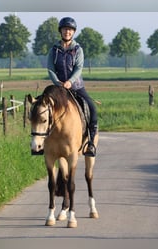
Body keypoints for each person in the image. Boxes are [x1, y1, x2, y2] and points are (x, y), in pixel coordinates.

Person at [47, 17, 98, 157]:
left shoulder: (78, 50)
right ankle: (42, 142)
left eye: (69, 30)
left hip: (76, 86)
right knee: (41, 107)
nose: (67, 32)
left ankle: (91, 143)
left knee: (92, 108)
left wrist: (70, 81)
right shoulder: (54, 50)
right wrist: (57, 82)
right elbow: (50, 69)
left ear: (73, 32)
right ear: (60, 31)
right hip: (58, 87)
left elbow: (79, 68)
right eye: (65, 29)